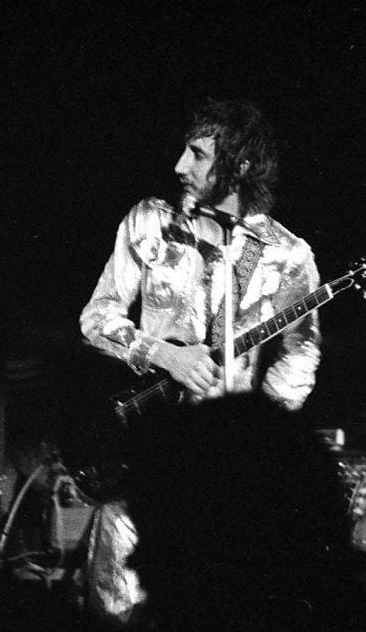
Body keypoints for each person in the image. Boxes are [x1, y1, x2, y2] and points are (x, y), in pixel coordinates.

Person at [77, 99, 329, 629]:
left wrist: (257, 427)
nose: (179, 166)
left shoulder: (288, 255)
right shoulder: (150, 221)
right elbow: (97, 317)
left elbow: (299, 355)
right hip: (147, 453)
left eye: (197, 154)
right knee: (117, 595)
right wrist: (164, 354)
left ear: (239, 166)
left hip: (230, 470)